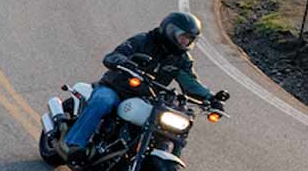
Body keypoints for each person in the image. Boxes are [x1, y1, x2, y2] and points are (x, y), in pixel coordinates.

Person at [61, 11, 229, 162]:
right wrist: (126, 64)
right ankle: (74, 144)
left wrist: (211, 98)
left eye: (190, 39)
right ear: (171, 31)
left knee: (165, 124)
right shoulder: (143, 41)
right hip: (117, 88)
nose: (186, 41)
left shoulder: (182, 58)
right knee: (103, 101)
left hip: (146, 98)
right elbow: (114, 56)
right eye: (183, 36)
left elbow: (191, 83)